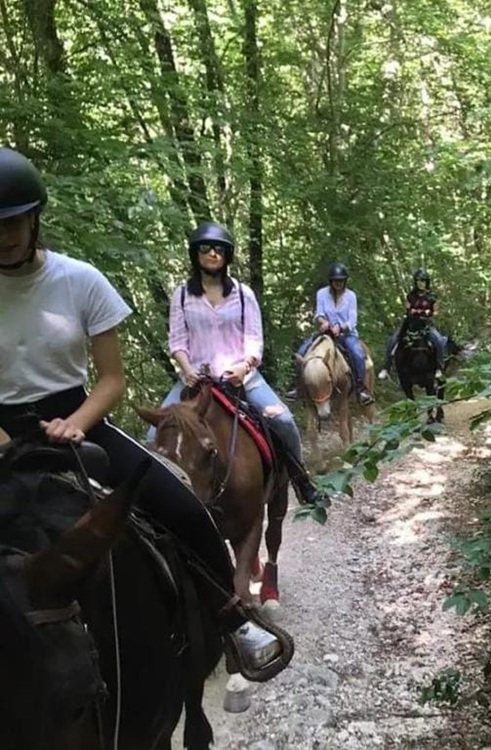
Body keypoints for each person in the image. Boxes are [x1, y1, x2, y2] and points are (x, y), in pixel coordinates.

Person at [0, 146, 290, 681]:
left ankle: (235, 621)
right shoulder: (182, 295)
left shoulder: (79, 280)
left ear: (34, 217)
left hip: (77, 420)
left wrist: (77, 424)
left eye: (16, 221)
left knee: (182, 505)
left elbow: (112, 378)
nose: (7, 235)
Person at [149, 220, 327, 508]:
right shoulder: (181, 295)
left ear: (227, 255)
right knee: (152, 434)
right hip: (196, 381)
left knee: (283, 421)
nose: (212, 254)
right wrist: (187, 369)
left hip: (241, 378)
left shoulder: (243, 295)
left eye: (219, 249)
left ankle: (301, 480)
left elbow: (254, 339)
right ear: (196, 254)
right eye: (205, 248)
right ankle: (163, 503)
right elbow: (178, 342)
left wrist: (244, 365)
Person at [308, 262, 375, 406]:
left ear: (345, 281)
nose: (338, 283)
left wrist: (342, 327)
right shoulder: (321, 293)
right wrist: (323, 321)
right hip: (326, 334)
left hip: (346, 335)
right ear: (331, 281)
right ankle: (298, 387)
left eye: (341, 280)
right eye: (335, 280)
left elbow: (352, 319)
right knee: (303, 350)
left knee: (357, 353)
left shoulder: (351, 296)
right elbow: (318, 313)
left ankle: (360, 389)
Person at [378, 268, 448, 381]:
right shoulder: (411, 295)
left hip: (426, 324)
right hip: (410, 322)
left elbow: (436, 312)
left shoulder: (432, 296)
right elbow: (407, 309)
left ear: (427, 282)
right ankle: (386, 368)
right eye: (419, 281)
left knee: (439, 340)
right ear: (415, 282)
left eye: (423, 281)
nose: (421, 283)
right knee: (393, 339)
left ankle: (439, 368)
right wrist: (412, 312)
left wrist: (428, 313)